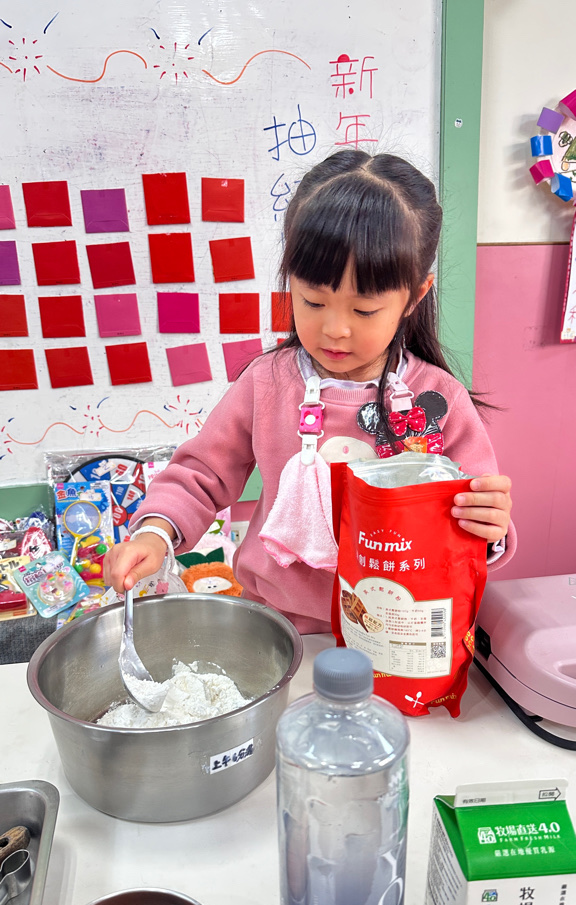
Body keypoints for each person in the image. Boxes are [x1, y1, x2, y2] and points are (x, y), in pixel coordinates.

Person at [104, 149, 514, 634]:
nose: (335, 329)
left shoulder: (438, 399)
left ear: (414, 297)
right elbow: (202, 475)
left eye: (364, 311)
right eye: (313, 302)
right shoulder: (268, 382)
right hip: (277, 627)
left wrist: (489, 527)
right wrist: (155, 533)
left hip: (398, 631)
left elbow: (476, 512)